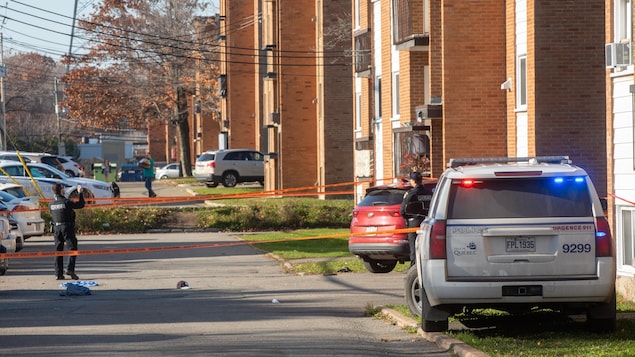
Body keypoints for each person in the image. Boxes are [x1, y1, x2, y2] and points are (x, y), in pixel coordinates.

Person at [50, 183, 85, 280]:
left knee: (58, 251)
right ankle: (70, 269)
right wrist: (80, 193)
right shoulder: (66, 202)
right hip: (67, 227)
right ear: (61, 190)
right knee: (72, 248)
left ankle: (58, 273)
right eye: (63, 188)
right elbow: (80, 204)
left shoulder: (51, 204)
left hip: (56, 228)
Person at [399, 171, 434, 266]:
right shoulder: (429, 193)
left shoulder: (411, 193)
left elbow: (403, 211)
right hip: (427, 223)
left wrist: (407, 219)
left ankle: (414, 267)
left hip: (414, 223)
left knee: (414, 246)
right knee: (427, 245)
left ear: (413, 181)